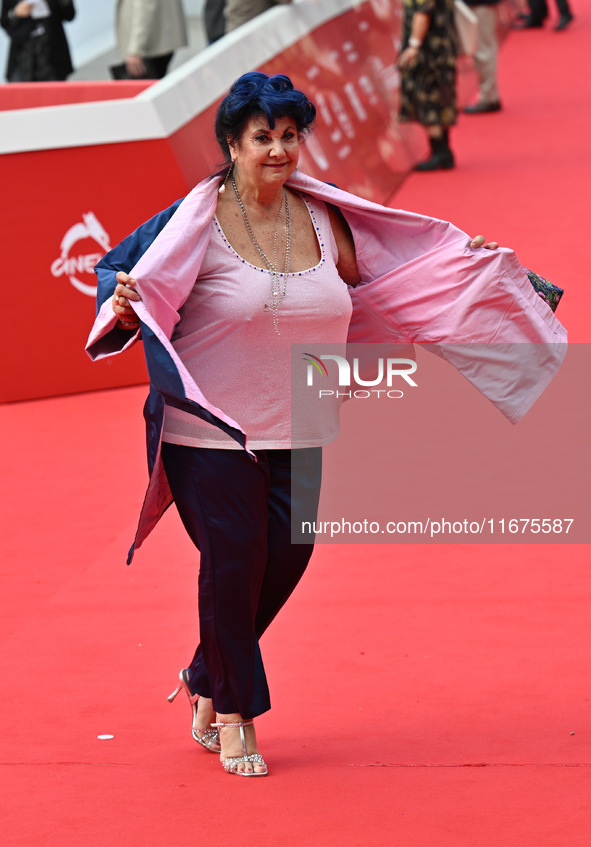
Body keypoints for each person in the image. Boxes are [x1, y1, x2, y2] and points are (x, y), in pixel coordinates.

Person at [86, 72, 566, 778]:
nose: (277, 149)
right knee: (235, 560)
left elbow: (398, 278)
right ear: (231, 143)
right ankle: (234, 715)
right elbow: (123, 280)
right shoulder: (191, 224)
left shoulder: (323, 219)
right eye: (262, 137)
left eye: (289, 135)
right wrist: (126, 309)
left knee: (285, 560)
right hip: (211, 429)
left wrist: (466, 272)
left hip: (300, 421)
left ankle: (204, 674)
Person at [397, 0, 457, 170]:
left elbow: (423, 12)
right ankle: (443, 150)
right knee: (440, 97)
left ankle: (439, 151)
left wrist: (413, 46)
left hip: (428, 53)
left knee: (428, 98)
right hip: (441, 48)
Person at [1, 0, 75, 82]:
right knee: (20, 91)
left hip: (52, 51)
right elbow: (5, 21)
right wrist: (15, 13)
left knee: (54, 91)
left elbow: (69, 15)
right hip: (22, 54)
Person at [114, 0, 187, 80]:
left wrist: (135, 50)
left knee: (146, 88)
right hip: (160, 37)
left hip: (149, 46)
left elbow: (144, 9)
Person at [463, 0, 502, 113]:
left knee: (483, 50)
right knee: (483, 48)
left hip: (481, 4)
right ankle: (488, 95)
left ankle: (489, 97)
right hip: (479, 4)